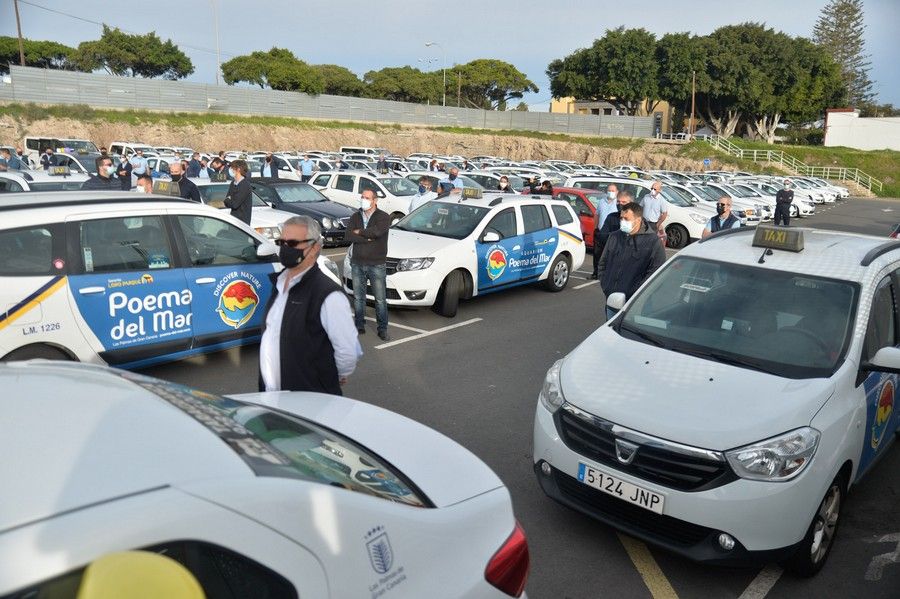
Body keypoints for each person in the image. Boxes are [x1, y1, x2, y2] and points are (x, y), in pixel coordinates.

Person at [259, 216, 361, 394]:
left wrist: (331, 375)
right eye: (281, 242)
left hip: (310, 403)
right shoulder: (279, 284)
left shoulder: (329, 295)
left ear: (314, 248)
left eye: (292, 243)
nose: (285, 248)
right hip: (272, 400)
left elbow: (347, 352)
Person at [598, 201, 666, 321]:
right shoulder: (614, 236)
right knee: (610, 336)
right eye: (621, 218)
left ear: (638, 220)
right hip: (612, 301)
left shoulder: (653, 242)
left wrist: (637, 296)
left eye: (626, 219)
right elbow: (603, 263)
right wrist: (606, 286)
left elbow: (656, 273)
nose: (622, 221)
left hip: (637, 306)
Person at [346, 189, 391, 341]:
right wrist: (366, 238)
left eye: (367, 198)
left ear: (374, 201)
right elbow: (348, 235)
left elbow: (377, 232)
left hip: (376, 263)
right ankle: (359, 324)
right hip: (358, 262)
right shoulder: (355, 215)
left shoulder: (383, 217)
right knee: (359, 297)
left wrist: (359, 232)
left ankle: (382, 328)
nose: (363, 200)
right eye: (362, 197)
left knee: (380, 299)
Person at [591, 184, 619, 279]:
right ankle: (596, 273)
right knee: (597, 254)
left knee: (610, 255)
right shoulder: (602, 201)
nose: (610, 192)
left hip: (612, 234)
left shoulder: (618, 203)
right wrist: (596, 228)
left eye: (613, 190)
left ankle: (608, 274)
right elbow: (597, 215)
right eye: (609, 190)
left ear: (617, 192)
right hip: (601, 232)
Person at [223, 159, 252, 225]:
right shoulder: (233, 183)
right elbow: (226, 200)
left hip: (242, 222)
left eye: (232, 168)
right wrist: (228, 200)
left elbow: (235, 204)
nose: (230, 170)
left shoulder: (245, 184)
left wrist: (229, 200)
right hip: (233, 220)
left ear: (238, 169)